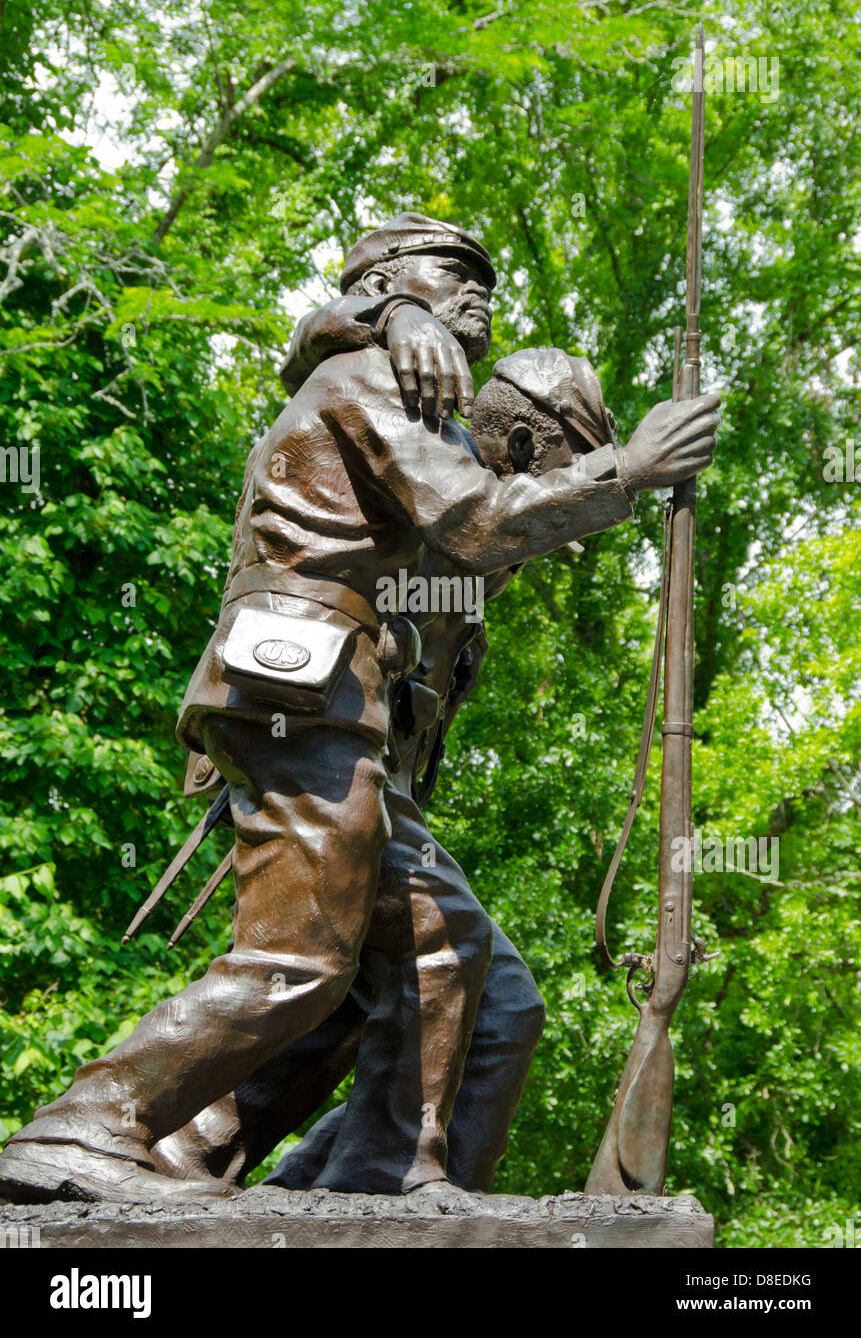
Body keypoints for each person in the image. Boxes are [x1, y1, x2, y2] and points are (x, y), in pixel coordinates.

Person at [0, 215, 719, 1203]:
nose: (477, 294)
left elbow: (460, 559)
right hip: (306, 701)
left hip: (341, 727)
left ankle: (362, 1176)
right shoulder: (391, 380)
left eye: (484, 282)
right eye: (448, 275)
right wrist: (626, 471)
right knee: (302, 960)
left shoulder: (424, 410)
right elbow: (471, 515)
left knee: (441, 957)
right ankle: (83, 1131)